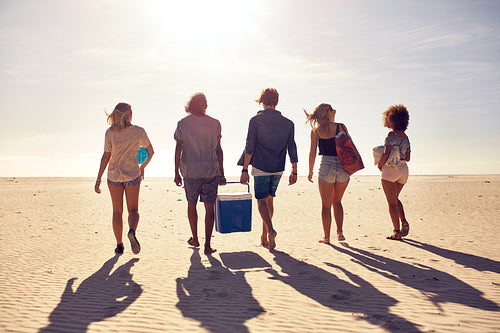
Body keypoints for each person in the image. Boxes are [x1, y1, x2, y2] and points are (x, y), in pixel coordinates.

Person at [239, 88, 298, 251]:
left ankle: (270, 231)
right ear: (276, 102)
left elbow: (249, 146)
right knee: (270, 199)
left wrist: (244, 170)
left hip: (260, 165)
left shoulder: (255, 120)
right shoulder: (288, 123)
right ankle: (264, 237)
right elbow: (292, 147)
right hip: (278, 167)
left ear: (261, 101)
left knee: (261, 200)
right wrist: (294, 170)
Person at [95, 102, 154, 254]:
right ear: (129, 115)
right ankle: (132, 231)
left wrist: (98, 178)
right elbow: (151, 151)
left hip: (114, 175)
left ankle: (119, 244)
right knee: (133, 210)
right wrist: (142, 168)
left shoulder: (110, 132)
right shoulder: (138, 131)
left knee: (117, 212)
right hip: (132, 173)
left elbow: (106, 155)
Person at [174, 93, 226, 254]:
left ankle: (195, 237)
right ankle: (207, 245)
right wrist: (222, 173)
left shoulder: (183, 124)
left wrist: (176, 172)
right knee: (209, 208)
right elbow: (218, 150)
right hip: (211, 171)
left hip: (190, 172)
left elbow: (178, 149)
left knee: (192, 205)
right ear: (205, 105)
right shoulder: (215, 124)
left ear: (190, 105)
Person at [305, 103, 351, 243]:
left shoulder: (316, 131)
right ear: (329, 113)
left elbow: (312, 153)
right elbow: (349, 146)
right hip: (343, 166)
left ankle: (326, 237)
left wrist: (310, 171)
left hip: (326, 166)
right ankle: (340, 233)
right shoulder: (340, 127)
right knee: (337, 201)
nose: (335, 113)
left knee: (326, 205)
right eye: (333, 111)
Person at [377, 104, 411, 240]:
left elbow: (386, 153)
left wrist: (380, 164)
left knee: (391, 202)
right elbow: (408, 158)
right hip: (403, 170)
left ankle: (397, 232)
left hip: (391, 170)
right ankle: (403, 222)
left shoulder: (392, 135)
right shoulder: (405, 137)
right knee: (395, 199)